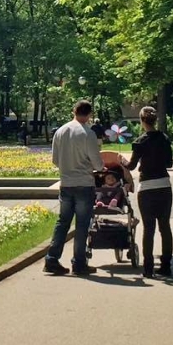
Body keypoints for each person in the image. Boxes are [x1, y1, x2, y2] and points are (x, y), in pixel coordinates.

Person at [44, 100, 104, 276]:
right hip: (84, 183)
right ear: (89, 114)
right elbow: (97, 163)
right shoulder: (88, 133)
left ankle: (52, 259)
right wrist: (97, 167)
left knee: (63, 222)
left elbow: (55, 160)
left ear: (74, 111)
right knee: (82, 225)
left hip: (66, 182)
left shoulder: (60, 131)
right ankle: (79, 262)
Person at [126, 105, 173, 278]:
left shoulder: (140, 141)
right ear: (155, 120)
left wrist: (121, 161)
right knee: (165, 227)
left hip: (146, 187)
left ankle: (148, 268)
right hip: (164, 185)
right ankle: (166, 265)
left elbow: (131, 166)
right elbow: (169, 164)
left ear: (141, 121)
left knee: (149, 228)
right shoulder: (164, 139)